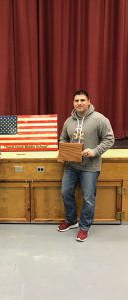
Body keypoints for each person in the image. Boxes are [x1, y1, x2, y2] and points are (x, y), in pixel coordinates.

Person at [57, 89, 114, 242]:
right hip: (71, 166)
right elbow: (62, 139)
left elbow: (109, 139)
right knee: (66, 192)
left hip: (90, 167)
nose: (79, 103)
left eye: (82, 100)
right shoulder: (68, 121)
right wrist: (64, 152)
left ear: (89, 101)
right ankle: (71, 220)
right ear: (73, 103)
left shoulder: (99, 119)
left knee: (88, 198)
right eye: (76, 101)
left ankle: (84, 227)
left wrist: (95, 151)